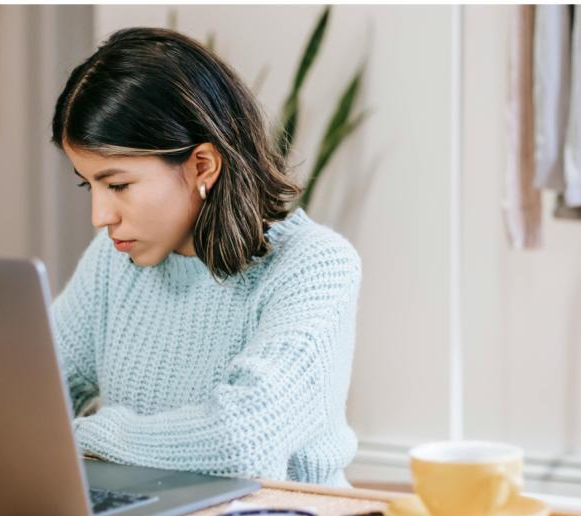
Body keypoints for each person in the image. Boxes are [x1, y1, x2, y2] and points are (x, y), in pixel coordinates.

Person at [49, 27, 361, 487]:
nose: (100, 216)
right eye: (88, 184)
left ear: (202, 166)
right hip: (148, 513)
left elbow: (242, 442)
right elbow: (36, 392)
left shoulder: (316, 265)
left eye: (118, 185)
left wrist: (83, 435)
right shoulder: (113, 260)